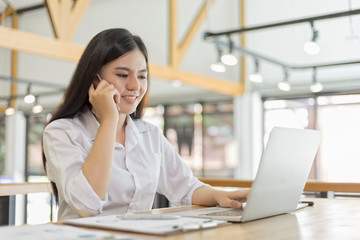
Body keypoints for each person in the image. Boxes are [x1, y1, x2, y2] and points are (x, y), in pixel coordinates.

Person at [42, 28, 249, 220]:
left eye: (142, 76)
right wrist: (109, 120)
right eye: (122, 75)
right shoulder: (62, 132)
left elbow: (186, 187)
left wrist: (221, 196)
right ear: (95, 80)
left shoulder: (150, 135)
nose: (135, 86)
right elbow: (86, 205)